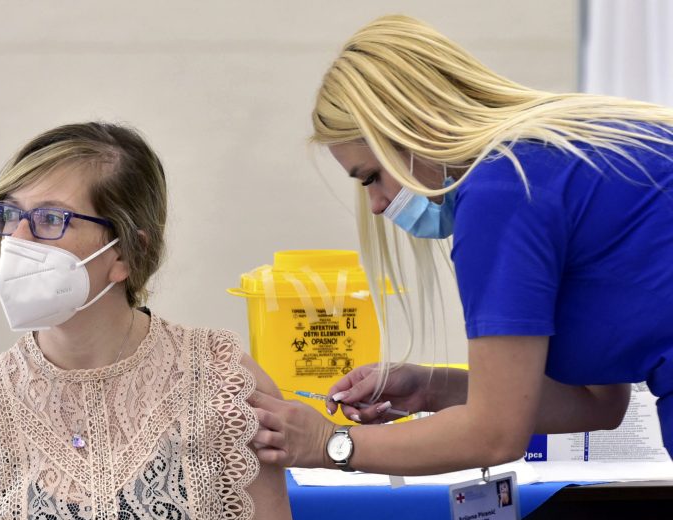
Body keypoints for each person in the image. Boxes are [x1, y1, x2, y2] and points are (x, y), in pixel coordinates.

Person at [249, 14, 673, 477]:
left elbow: (494, 436)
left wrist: (328, 443)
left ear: (412, 126)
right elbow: (597, 405)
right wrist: (433, 387)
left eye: (371, 177)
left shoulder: (504, 190)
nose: (375, 205)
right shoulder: (566, 149)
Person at [0, 122, 297, 520]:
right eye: (9, 215)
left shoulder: (221, 376)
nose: (16, 242)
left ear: (125, 253)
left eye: (49, 219)